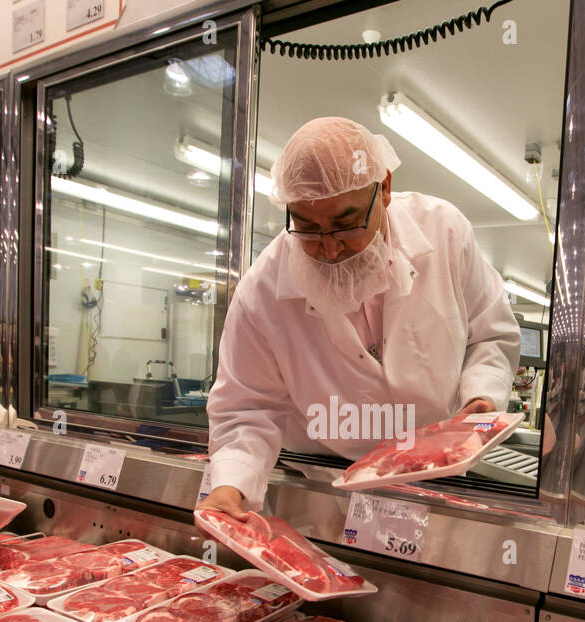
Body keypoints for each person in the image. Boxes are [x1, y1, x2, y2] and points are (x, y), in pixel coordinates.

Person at [200, 117, 521, 518]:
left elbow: (490, 333)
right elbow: (246, 406)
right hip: (325, 490)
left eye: (345, 224)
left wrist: (481, 394)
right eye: (307, 227)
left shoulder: (444, 232)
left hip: (438, 477)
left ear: (384, 188)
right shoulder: (262, 290)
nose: (330, 249)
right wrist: (231, 486)